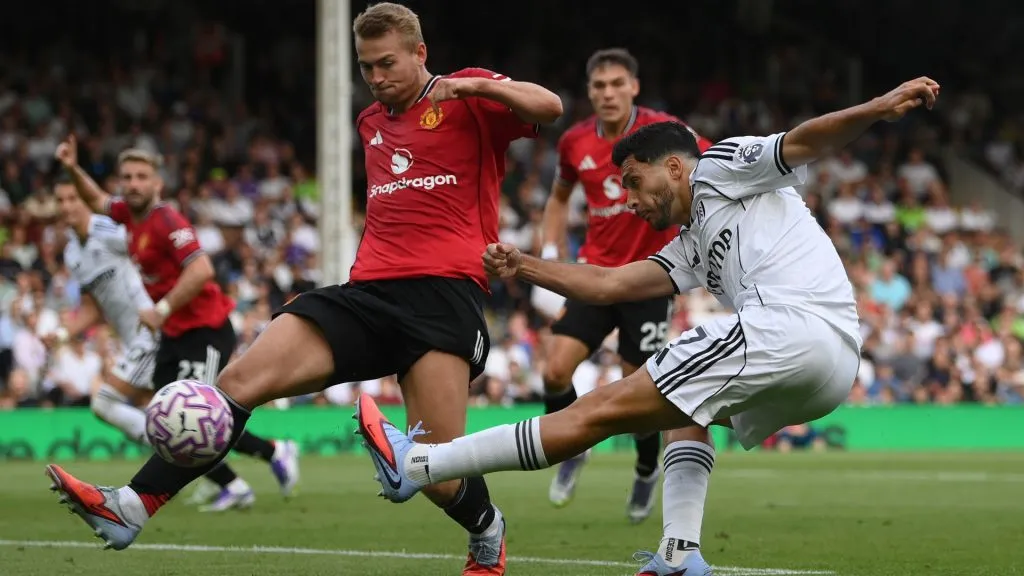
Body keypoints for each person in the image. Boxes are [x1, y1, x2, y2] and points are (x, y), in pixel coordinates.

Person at [44, 4, 561, 574]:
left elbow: (550, 107)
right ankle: (132, 507)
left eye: (387, 63)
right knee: (236, 383)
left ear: (420, 53)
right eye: (366, 68)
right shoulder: (370, 122)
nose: (377, 77)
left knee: (439, 475)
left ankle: (487, 530)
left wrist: (469, 89)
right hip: (366, 293)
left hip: (443, 298)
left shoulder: (472, 97)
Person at [356, 77, 939, 575]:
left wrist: (878, 108)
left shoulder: (718, 167)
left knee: (596, 411)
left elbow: (803, 142)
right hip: (832, 364)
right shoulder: (691, 245)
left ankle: (420, 465)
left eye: (633, 182)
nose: (627, 199)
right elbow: (611, 285)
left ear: (676, 167)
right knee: (687, 417)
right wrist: (525, 265)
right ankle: (680, 552)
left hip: (790, 328)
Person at [46, 137, 300, 525]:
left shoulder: (168, 221)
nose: (132, 183)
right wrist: (71, 169)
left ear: (157, 184)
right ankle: (257, 461)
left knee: (203, 415)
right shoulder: (128, 217)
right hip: (174, 334)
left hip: (206, 328)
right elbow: (97, 199)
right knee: (165, 417)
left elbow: (202, 270)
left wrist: (160, 309)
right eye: (127, 177)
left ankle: (257, 465)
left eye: (141, 177)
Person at [539, 47, 712, 519]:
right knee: (554, 370)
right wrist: (551, 252)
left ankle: (644, 469)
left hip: (647, 279)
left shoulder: (665, 132)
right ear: (589, 92)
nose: (608, 93)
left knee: (636, 392)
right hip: (596, 273)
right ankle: (574, 448)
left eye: (617, 84)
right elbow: (558, 199)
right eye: (599, 86)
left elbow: (710, 167)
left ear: (634, 87)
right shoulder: (574, 142)